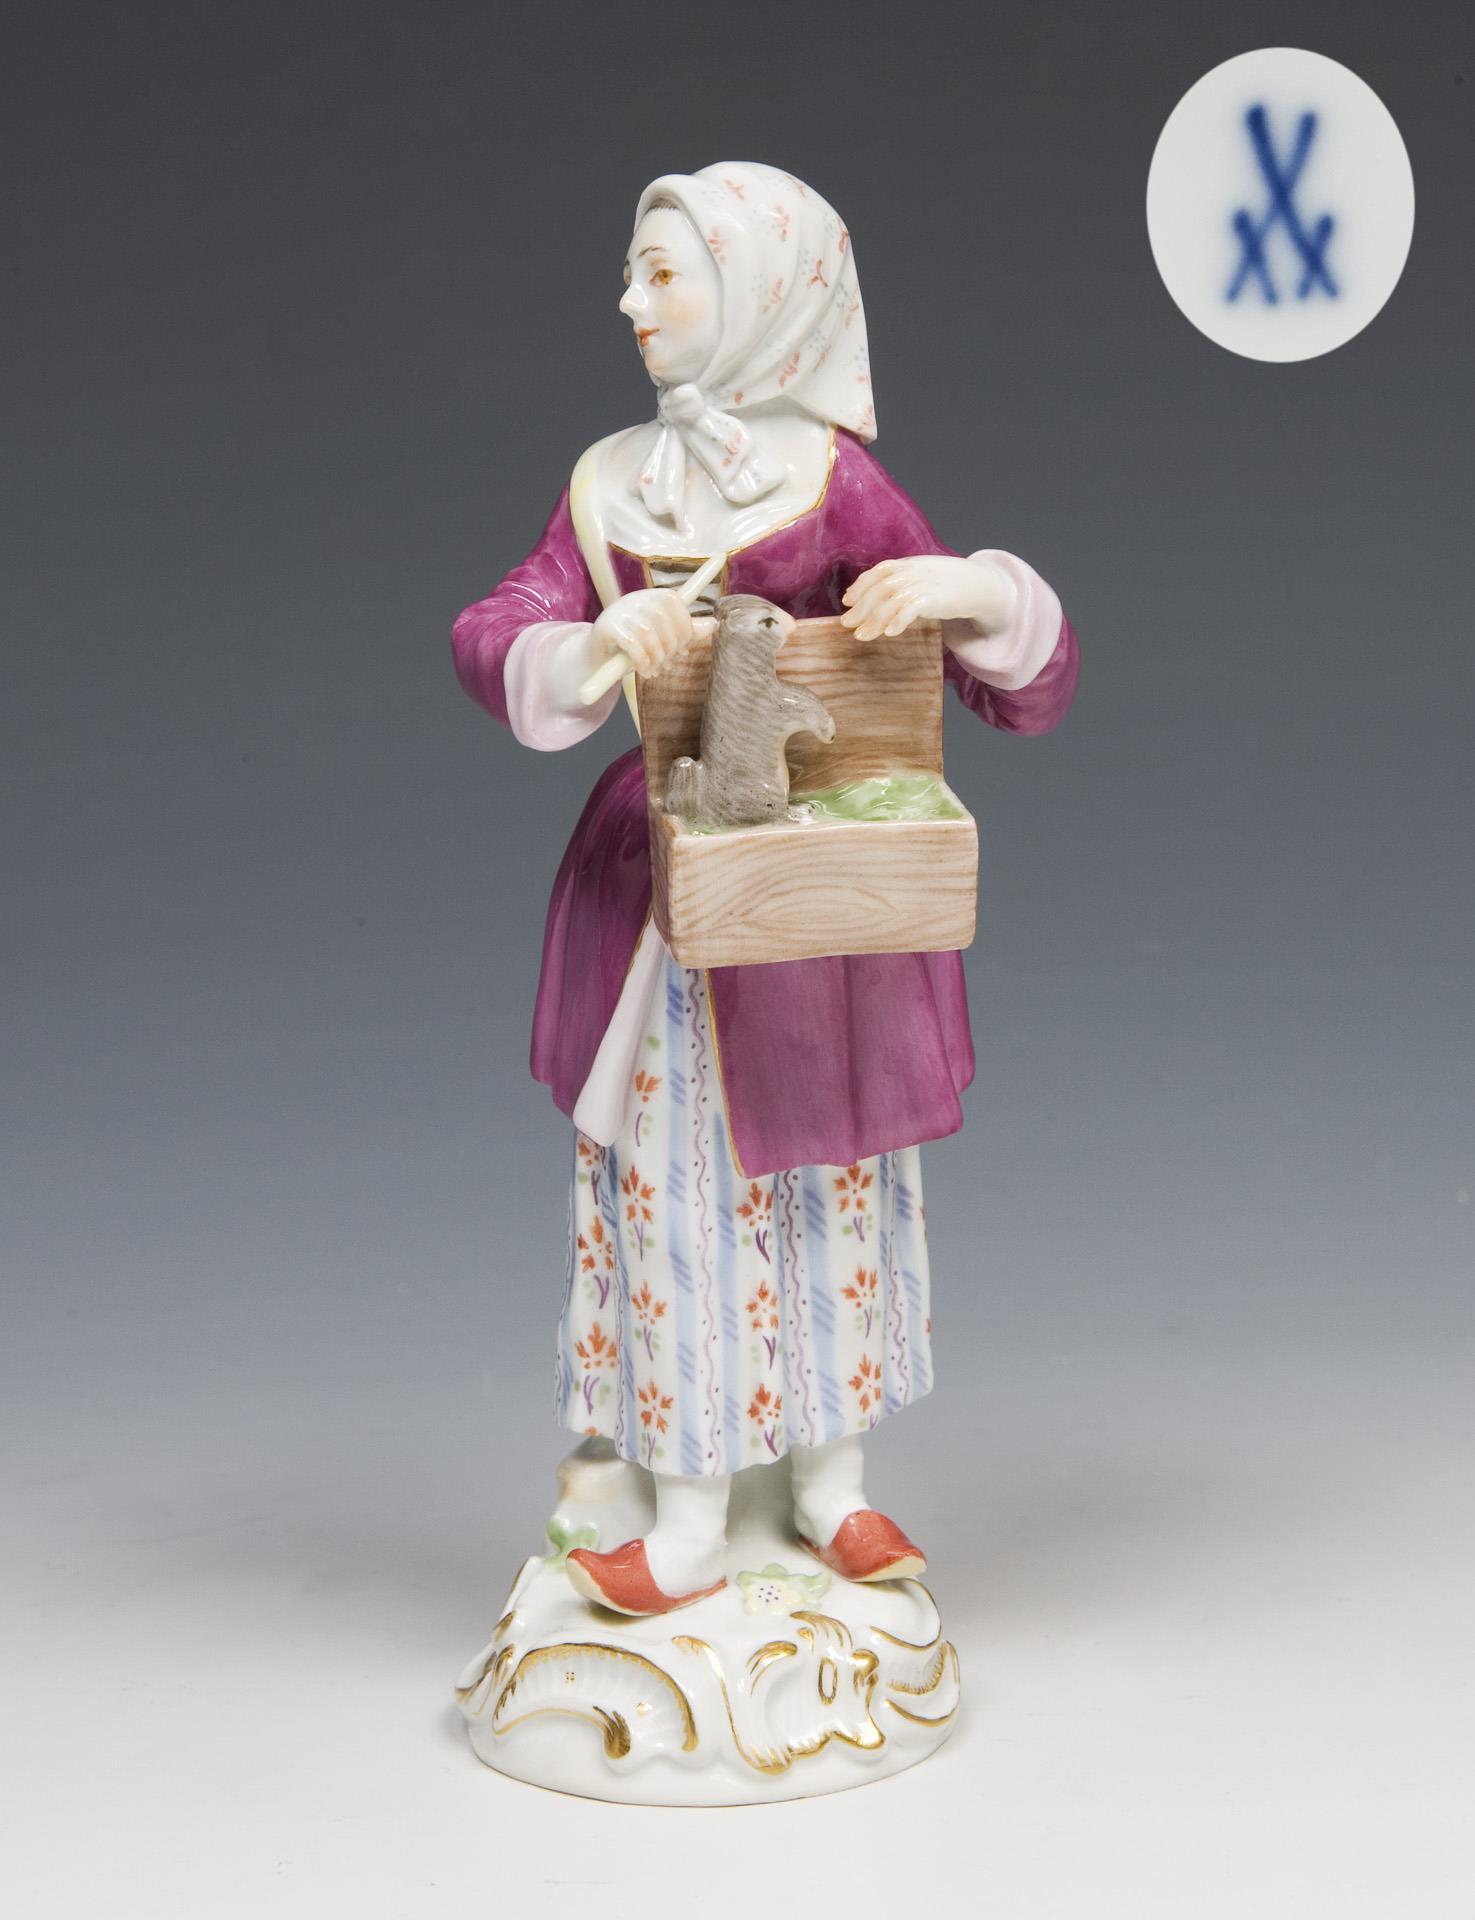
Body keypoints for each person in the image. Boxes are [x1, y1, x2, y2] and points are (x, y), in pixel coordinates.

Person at [452, 162, 1078, 1616]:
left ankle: (830, 1485)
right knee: (678, 1198)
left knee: (828, 1187)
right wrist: (594, 643)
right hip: (669, 894)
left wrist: (967, 591)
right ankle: (681, 1516)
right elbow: (500, 625)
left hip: (815, 901)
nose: (630, 301)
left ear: (758, 291)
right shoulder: (609, 482)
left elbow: (1023, 689)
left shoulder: (835, 481)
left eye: (663, 273)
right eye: (636, 271)